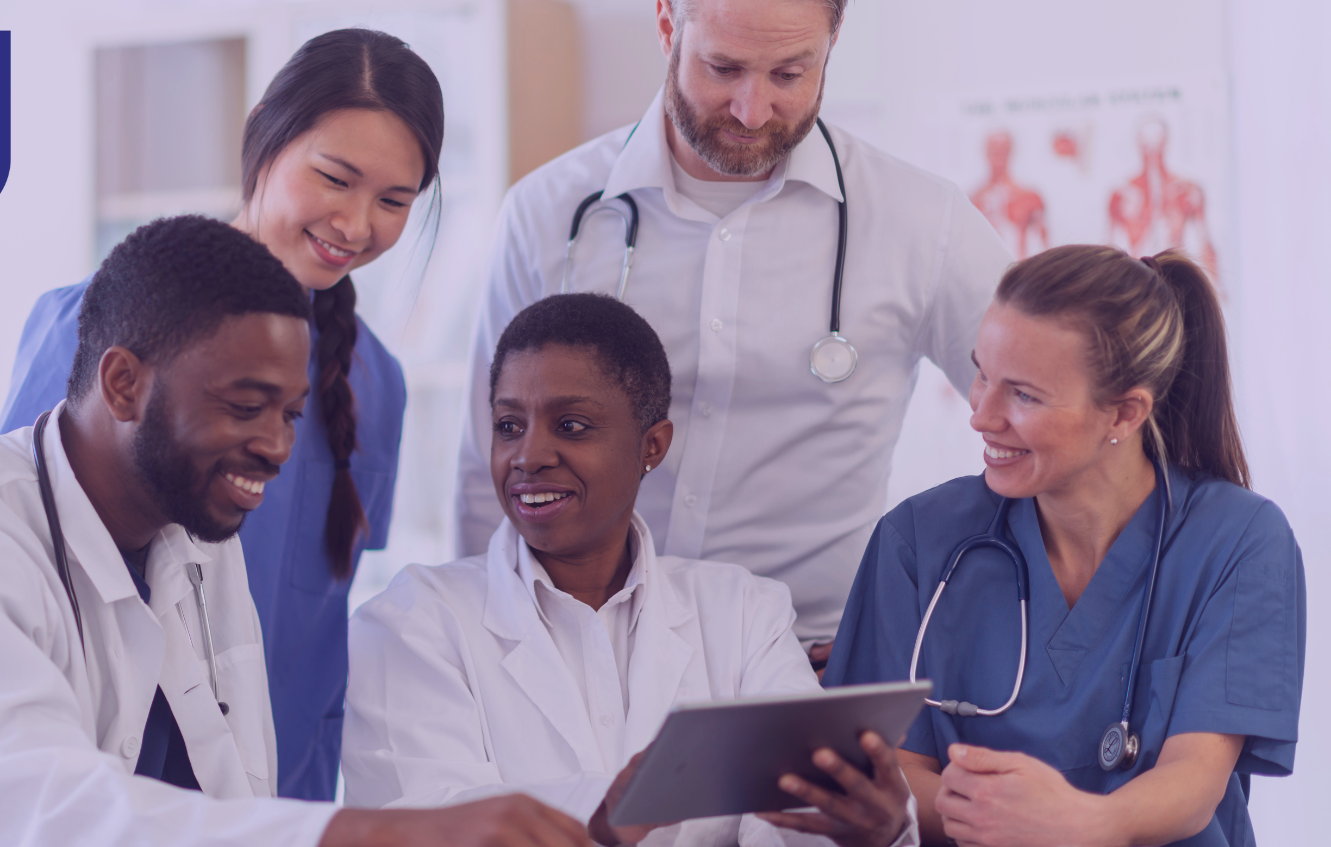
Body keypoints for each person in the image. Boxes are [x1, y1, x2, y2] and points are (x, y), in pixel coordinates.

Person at [0, 216, 592, 847]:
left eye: (290, 415)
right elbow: (50, 820)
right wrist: (368, 832)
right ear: (124, 383)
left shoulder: (198, 540)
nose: (276, 448)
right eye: (245, 407)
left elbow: (234, 784)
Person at [454, 0, 1010, 670]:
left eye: (789, 74)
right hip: (585, 656)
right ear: (666, 27)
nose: (754, 109)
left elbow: (1042, 416)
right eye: (723, 69)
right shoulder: (549, 211)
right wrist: (486, 648)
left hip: (812, 660)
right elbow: (483, 464)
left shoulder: (922, 221)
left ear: (830, 44)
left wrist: (949, 605)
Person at [0, 28, 439, 799]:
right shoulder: (93, 329)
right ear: (263, 131)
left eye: (394, 201)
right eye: (335, 178)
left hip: (279, 806)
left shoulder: (375, 382)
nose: (358, 224)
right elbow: (13, 578)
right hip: (105, 796)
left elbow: (320, 636)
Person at [346, 293, 917, 847]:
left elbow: (790, 816)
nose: (529, 455)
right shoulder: (413, 622)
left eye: (571, 426)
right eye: (508, 425)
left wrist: (867, 829)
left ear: (652, 446)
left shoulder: (741, 613)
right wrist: (599, 819)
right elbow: (419, 822)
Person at [826, 246, 1305, 846]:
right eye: (982, 374)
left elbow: (1196, 776)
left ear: (1125, 414)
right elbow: (882, 770)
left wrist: (1077, 824)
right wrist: (1003, 817)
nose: (982, 415)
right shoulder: (919, 540)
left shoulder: (1237, 542)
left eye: (1023, 395)